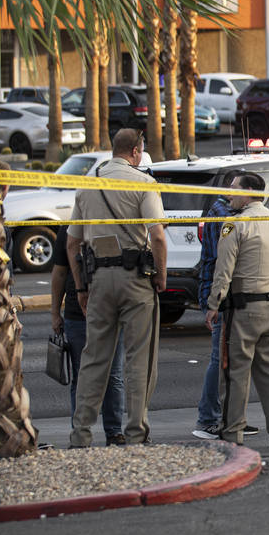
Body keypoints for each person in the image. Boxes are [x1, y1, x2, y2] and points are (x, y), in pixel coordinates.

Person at [66, 128, 167, 447]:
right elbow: (158, 236)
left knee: (95, 357)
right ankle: (137, 431)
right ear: (136, 151)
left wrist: (81, 287)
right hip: (135, 278)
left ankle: (81, 432)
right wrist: (161, 276)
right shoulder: (143, 182)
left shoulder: (88, 185)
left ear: (114, 150)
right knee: (139, 358)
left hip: (98, 280)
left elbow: (72, 243)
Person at [204, 173, 269, 447]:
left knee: (235, 372)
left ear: (250, 191)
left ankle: (233, 432)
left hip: (244, 309)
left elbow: (224, 270)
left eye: (233, 189)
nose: (228, 194)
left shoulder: (235, 224)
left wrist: (213, 303)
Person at [192, 173, 258, 441]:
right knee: (221, 359)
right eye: (231, 188)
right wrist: (214, 302)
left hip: (220, 291)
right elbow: (224, 263)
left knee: (227, 359)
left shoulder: (222, 210)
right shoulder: (225, 214)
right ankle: (209, 419)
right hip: (222, 293)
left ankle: (229, 417)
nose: (232, 192)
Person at [50, 226, 127, 445]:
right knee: (87, 375)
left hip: (107, 311)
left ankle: (109, 431)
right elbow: (60, 272)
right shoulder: (68, 232)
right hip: (79, 314)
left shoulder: (109, 227)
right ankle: (84, 431)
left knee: (110, 375)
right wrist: (55, 312)